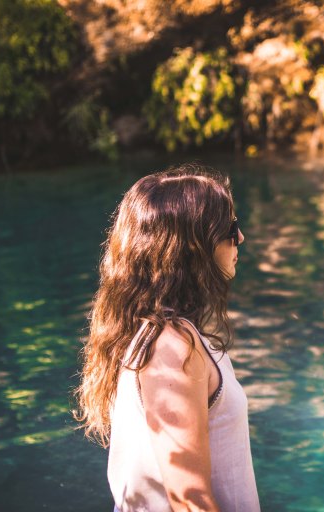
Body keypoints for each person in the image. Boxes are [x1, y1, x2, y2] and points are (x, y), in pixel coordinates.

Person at [75, 164, 260, 512]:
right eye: (230, 229)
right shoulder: (171, 349)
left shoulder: (163, 336)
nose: (241, 238)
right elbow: (190, 501)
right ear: (193, 246)